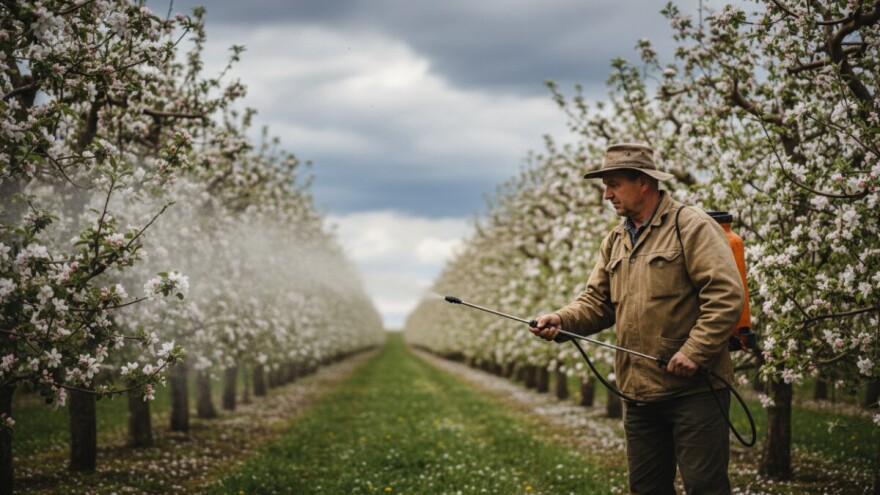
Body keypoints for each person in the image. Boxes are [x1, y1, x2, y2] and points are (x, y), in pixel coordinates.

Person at [529, 143, 745, 495]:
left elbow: (725, 295)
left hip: (695, 390)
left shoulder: (690, 226)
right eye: (605, 185)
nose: (606, 195)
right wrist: (560, 319)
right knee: (646, 489)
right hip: (638, 393)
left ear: (643, 182)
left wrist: (695, 351)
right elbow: (597, 302)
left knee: (706, 487)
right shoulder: (615, 240)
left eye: (613, 184)